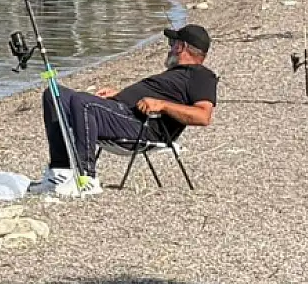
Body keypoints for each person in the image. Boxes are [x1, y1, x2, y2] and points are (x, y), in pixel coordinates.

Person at [34, 24, 217, 194]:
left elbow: (203, 116)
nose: (169, 48)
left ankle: (86, 178)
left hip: (141, 126)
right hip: (122, 113)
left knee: (83, 102)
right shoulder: (175, 74)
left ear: (181, 47)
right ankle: (60, 172)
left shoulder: (201, 76)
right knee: (54, 94)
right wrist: (119, 95)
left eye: (172, 43)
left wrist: (162, 105)